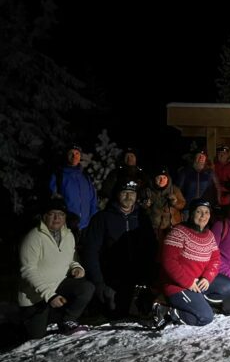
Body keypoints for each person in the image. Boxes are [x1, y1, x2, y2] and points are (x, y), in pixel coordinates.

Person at [18, 197, 95, 339]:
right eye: (52, 214)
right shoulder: (33, 237)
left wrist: (77, 267)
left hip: (59, 286)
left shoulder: (68, 235)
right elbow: (27, 271)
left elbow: (72, 259)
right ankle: (29, 319)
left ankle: (67, 319)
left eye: (61, 214)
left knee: (86, 288)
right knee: (36, 335)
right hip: (36, 296)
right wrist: (49, 295)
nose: (57, 218)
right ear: (44, 216)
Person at [80, 180, 157, 316]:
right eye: (124, 193)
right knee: (114, 315)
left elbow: (151, 248)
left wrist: (149, 276)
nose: (128, 197)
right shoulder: (102, 218)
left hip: (137, 279)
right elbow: (90, 252)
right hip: (111, 279)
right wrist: (98, 282)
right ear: (117, 195)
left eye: (132, 193)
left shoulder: (142, 218)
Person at [155, 198, 221, 327]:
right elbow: (169, 262)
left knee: (228, 287)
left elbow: (216, 259)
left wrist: (207, 278)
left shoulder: (209, 235)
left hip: (199, 282)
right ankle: (166, 310)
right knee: (205, 317)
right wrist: (188, 282)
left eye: (207, 212)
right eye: (199, 212)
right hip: (178, 285)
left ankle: (196, 301)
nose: (203, 216)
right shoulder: (178, 232)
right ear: (191, 214)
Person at [49, 143, 99, 233]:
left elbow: (93, 200)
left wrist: (93, 220)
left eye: (77, 153)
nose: (74, 156)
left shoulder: (85, 176)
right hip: (66, 228)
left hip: (86, 227)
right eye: (71, 153)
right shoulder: (58, 176)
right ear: (66, 156)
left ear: (80, 156)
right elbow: (53, 202)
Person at [141, 164, 186, 241]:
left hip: (171, 226)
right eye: (159, 178)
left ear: (168, 178)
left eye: (164, 178)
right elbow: (140, 208)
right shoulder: (147, 191)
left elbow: (183, 204)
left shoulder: (174, 189)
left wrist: (175, 202)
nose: (162, 181)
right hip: (154, 228)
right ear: (154, 178)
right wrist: (145, 206)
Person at [176, 149, 217, 218]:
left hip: (204, 208)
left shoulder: (209, 173)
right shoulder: (185, 172)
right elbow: (177, 189)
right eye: (199, 156)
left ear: (206, 159)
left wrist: (212, 204)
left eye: (203, 156)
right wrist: (180, 205)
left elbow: (213, 190)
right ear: (194, 158)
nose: (201, 158)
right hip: (188, 209)